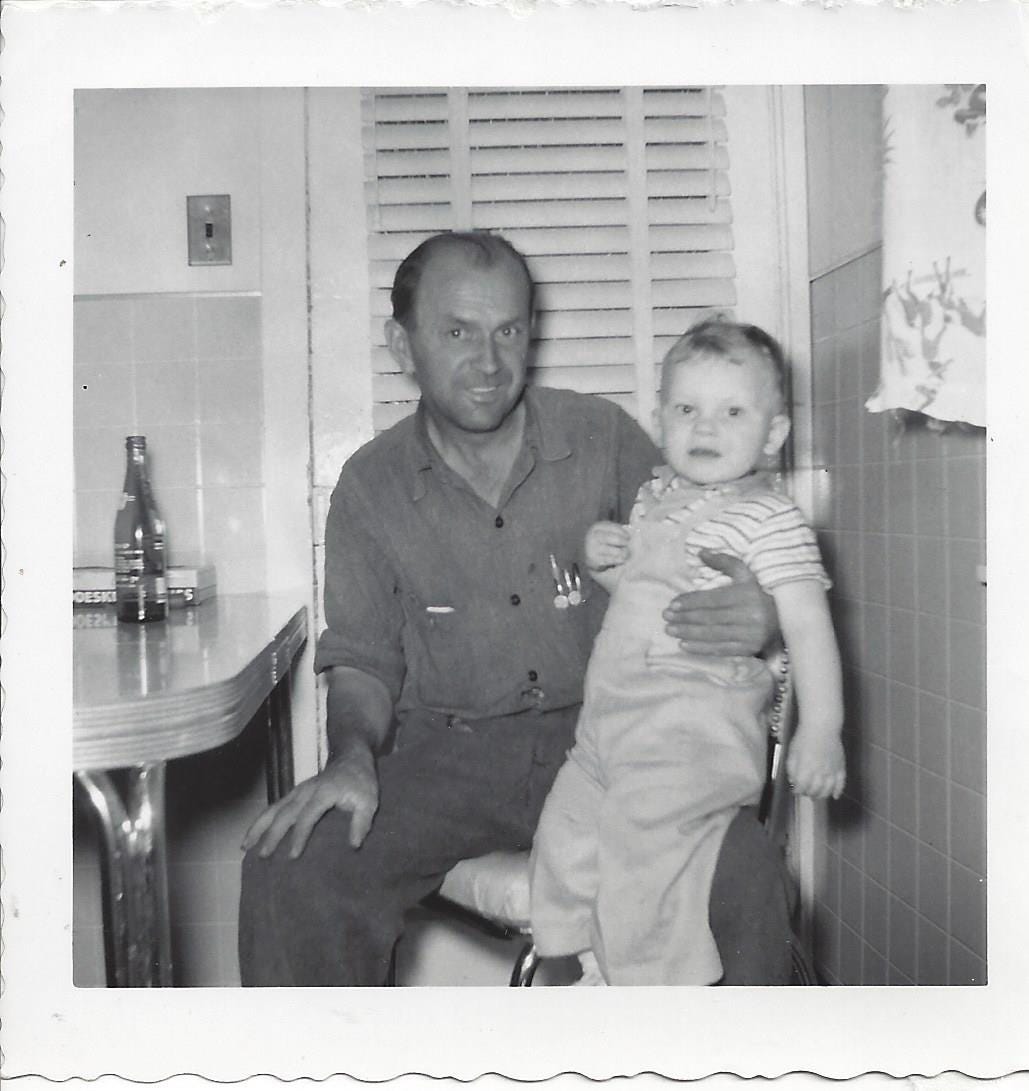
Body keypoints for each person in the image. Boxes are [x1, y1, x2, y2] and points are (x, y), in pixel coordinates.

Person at [238, 232, 796, 987]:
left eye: (508, 330)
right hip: (449, 760)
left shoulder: (602, 439)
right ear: (402, 345)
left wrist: (759, 613)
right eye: (458, 331)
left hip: (616, 740)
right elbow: (364, 658)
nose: (489, 360)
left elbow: (719, 542)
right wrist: (350, 758)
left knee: (743, 866)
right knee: (293, 863)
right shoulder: (370, 487)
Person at [529, 318, 846, 985]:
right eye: (686, 409)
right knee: (564, 830)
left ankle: (652, 989)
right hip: (611, 725)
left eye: (731, 411)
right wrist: (602, 560)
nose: (705, 427)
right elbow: (645, 598)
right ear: (659, 418)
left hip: (688, 737)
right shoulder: (654, 497)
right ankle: (568, 957)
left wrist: (821, 729)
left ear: (774, 434)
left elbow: (809, 626)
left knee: (645, 853)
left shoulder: (771, 519)